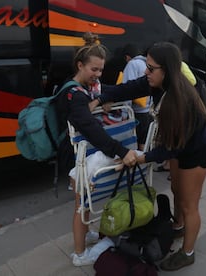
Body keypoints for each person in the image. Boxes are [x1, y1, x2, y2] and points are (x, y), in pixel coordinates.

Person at [92, 42, 206, 271]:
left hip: (195, 154)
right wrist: (99, 98)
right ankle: (178, 226)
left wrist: (141, 157)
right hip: (180, 149)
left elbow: (170, 150)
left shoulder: (181, 101)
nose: (145, 72)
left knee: (190, 205)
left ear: (166, 70)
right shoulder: (158, 85)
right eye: (146, 66)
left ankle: (188, 253)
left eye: (151, 68)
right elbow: (127, 89)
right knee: (177, 191)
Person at [64, 32, 140, 267]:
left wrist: (100, 99)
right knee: (81, 204)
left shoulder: (90, 88)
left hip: (84, 155)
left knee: (84, 200)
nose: (98, 75)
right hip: (78, 158)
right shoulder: (73, 95)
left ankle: (85, 235)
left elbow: (108, 90)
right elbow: (91, 129)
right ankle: (79, 255)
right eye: (94, 70)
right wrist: (121, 150)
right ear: (80, 65)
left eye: (100, 70)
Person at [122, 43, 153, 151]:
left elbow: (127, 90)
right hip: (147, 112)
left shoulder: (132, 64)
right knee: (143, 144)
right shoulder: (147, 64)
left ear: (127, 57)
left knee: (131, 145)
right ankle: (143, 166)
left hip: (135, 113)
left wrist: (124, 114)